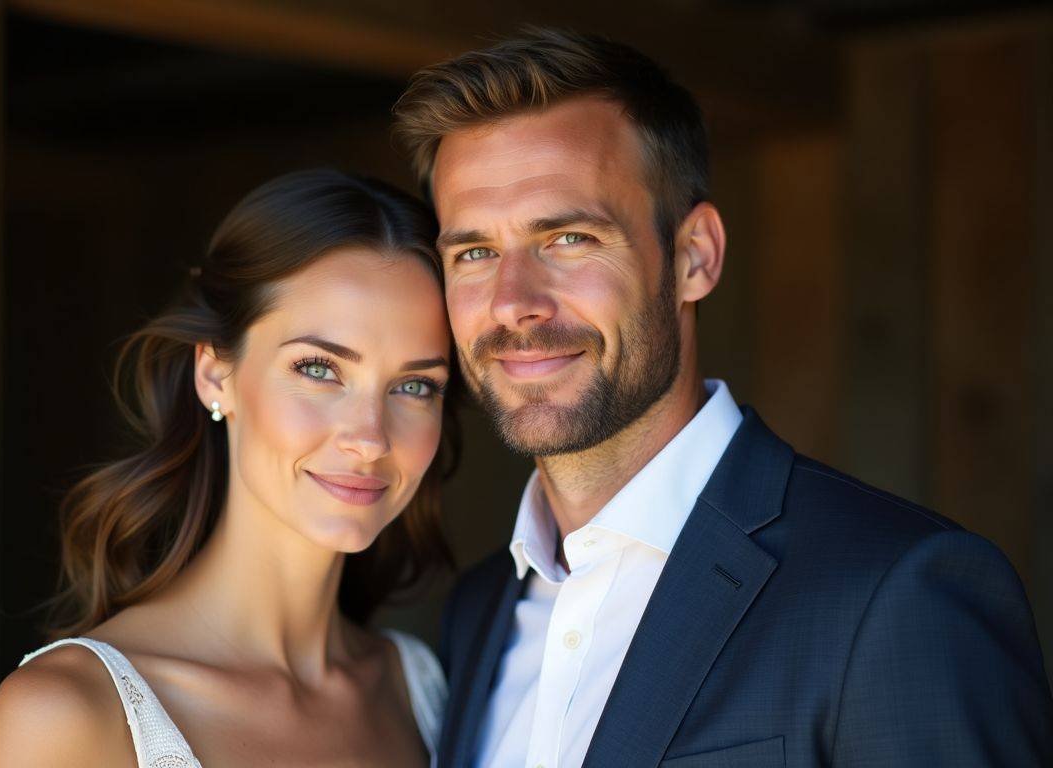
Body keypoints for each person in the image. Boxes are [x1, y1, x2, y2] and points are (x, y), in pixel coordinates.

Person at [394, 28, 1053, 767]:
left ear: (694, 256)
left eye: (570, 239)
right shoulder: (477, 614)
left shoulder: (895, 593)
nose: (514, 303)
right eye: (475, 252)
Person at [0, 169, 456, 767]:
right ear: (215, 374)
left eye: (414, 385)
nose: (370, 439)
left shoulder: (420, 690)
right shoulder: (67, 713)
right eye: (319, 370)